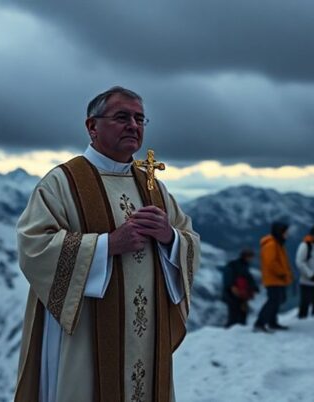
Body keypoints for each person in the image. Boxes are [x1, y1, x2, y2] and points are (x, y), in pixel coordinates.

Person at [14, 87, 201, 402]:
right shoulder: (63, 182)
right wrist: (106, 246)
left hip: (147, 332)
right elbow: (34, 246)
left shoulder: (152, 185)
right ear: (92, 126)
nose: (133, 125)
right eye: (122, 117)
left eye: (140, 118)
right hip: (88, 335)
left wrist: (170, 237)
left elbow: (189, 238)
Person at [253, 221, 293, 333]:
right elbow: (271, 263)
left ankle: (272, 322)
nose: (287, 234)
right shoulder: (271, 245)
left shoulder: (278, 243)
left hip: (278, 279)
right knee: (273, 301)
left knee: (277, 300)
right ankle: (260, 323)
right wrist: (282, 273)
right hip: (274, 279)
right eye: (285, 232)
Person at [222, 249, 260, 328]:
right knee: (234, 315)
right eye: (250, 257)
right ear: (246, 257)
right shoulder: (236, 265)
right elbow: (231, 277)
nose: (251, 259)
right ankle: (230, 332)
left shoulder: (242, 265)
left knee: (241, 313)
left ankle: (238, 330)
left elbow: (248, 279)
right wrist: (232, 286)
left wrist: (254, 288)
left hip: (240, 294)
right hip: (233, 294)